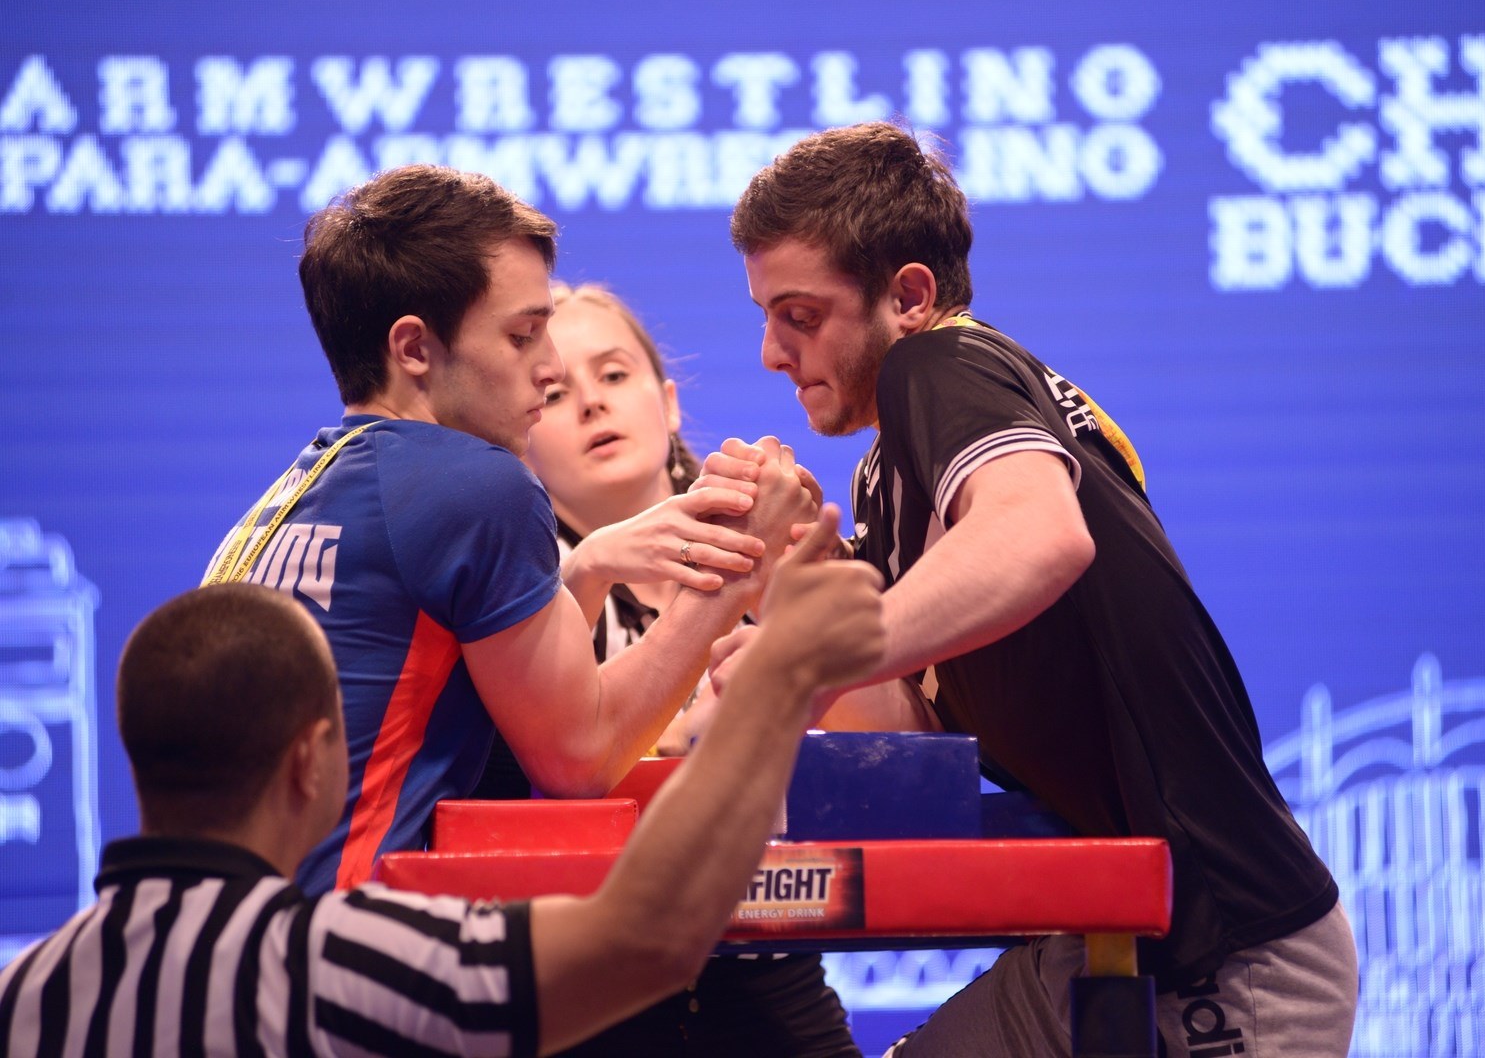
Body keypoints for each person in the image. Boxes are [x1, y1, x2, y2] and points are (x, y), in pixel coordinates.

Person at [717, 122, 1359, 1058]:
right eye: (766, 317)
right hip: (1105, 939)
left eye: (801, 316)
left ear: (907, 296)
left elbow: (1040, 536)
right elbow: (910, 718)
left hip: (1230, 957)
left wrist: (811, 651)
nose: (775, 353)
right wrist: (782, 584)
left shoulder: (941, 364)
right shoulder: (888, 474)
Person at [0, 523, 884, 1055]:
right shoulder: (342, 962)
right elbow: (648, 937)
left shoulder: (25, 993)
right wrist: (778, 676)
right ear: (313, 761)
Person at [200, 164, 815, 895]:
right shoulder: (474, 482)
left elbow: (496, 727)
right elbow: (578, 762)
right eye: (524, 336)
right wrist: (741, 561)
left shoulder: (290, 499)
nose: (551, 369)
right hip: (332, 957)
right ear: (415, 350)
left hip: (220, 949)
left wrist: (582, 572)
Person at [473, 282, 861, 1056]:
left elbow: (870, 753)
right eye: (554, 392)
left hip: (768, 958)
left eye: (614, 375)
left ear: (670, 402)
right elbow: (563, 769)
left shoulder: (772, 538)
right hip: (589, 974)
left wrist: (814, 594)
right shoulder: (514, 582)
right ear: (522, 435)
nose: (590, 403)